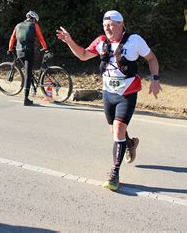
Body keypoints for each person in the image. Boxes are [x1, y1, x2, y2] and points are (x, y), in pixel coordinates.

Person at [56, 10, 162, 190]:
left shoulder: (134, 40)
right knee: (115, 132)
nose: (108, 28)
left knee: (118, 130)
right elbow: (83, 55)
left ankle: (114, 174)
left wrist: (155, 79)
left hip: (127, 93)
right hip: (108, 93)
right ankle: (130, 143)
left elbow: (152, 58)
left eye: (112, 25)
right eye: (105, 25)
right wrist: (69, 41)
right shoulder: (101, 42)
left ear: (122, 25)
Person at [8, 11, 48, 106]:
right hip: (29, 52)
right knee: (28, 74)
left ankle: (32, 86)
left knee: (27, 71)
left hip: (19, 52)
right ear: (33, 19)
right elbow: (40, 38)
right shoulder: (34, 25)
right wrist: (45, 48)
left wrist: (10, 49)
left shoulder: (18, 25)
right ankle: (26, 99)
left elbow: (13, 38)